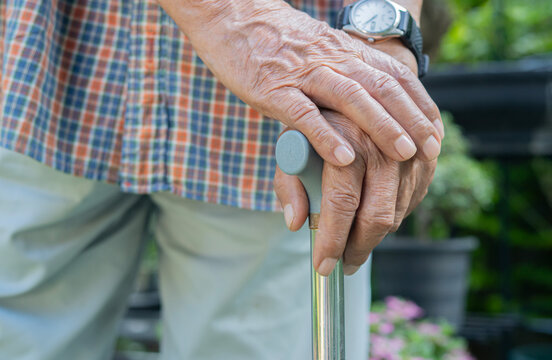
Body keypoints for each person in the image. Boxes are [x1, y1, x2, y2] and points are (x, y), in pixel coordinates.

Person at [0, 0, 441, 359]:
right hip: (45, 75)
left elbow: (379, 37)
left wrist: (381, 39)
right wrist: (227, 12)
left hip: (286, 92)